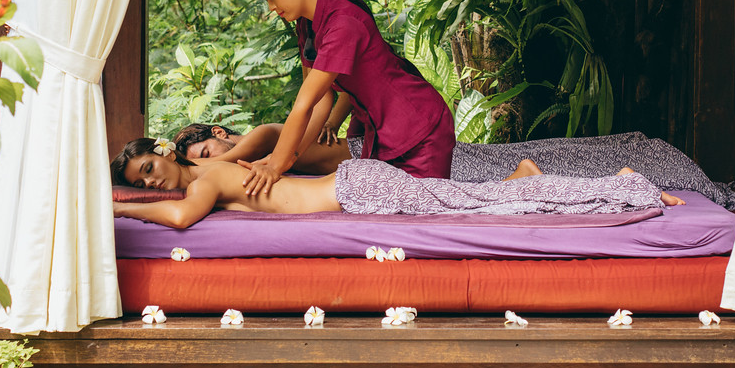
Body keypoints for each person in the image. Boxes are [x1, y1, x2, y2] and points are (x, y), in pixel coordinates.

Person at [239, 0, 454, 195]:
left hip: (417, 128)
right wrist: (284, 159)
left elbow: (304, 104)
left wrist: (276, 166)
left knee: (430, 210)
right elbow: (320, 101)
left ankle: (517, 180)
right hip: (380, 132)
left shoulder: (341, 23)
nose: (271, 8)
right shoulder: (307, 24)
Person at [110, 138, 681, 230]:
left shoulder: (202, 178)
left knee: (478, 207)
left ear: (163, 153)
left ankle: (621, 183)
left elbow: (184, 217)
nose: (152, 180)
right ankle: (533, 178)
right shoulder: (213, 176)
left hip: (363, 190)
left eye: (149, 170)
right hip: (360, 184)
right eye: (142, 182)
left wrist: (121, 210)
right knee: (477, 202)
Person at [174, 117, 350, 175]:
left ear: (219, 132)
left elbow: (222, 162)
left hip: (363, 154)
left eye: (206, 154)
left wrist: (174, 165)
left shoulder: (263, 134)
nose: (210, 161)